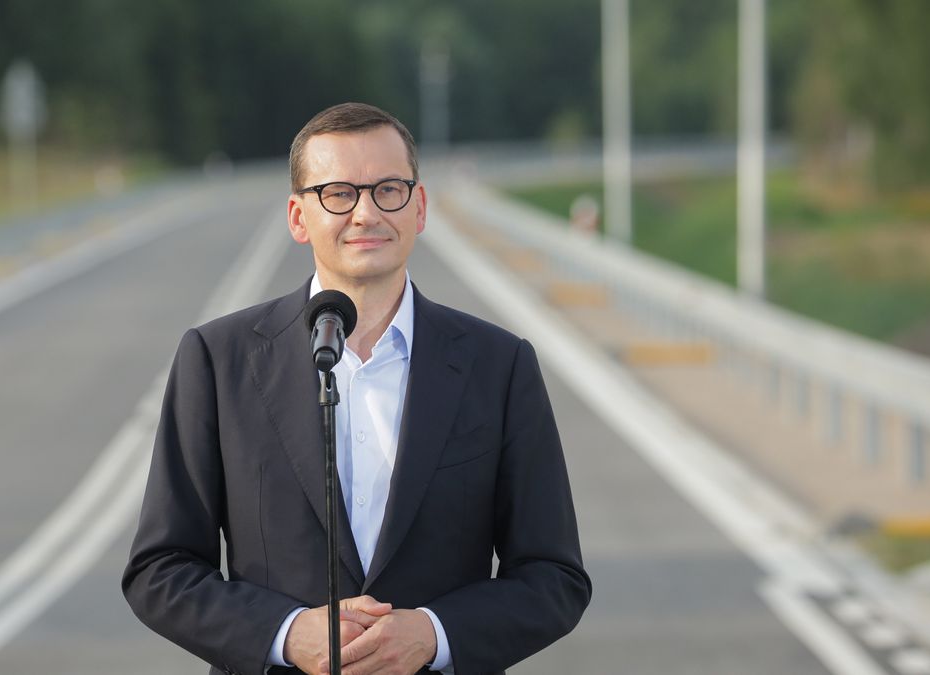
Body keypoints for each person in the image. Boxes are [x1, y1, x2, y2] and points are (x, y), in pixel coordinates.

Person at [122, 102, 590, 675]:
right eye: (338, 194)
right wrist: (285, 636)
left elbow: (554, 576)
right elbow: (160, 569)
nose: (367, 213)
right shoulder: (218, 360)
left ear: (419, 207)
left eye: (388, 190)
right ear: (298, 217)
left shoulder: (500, 364)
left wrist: (436, 635)